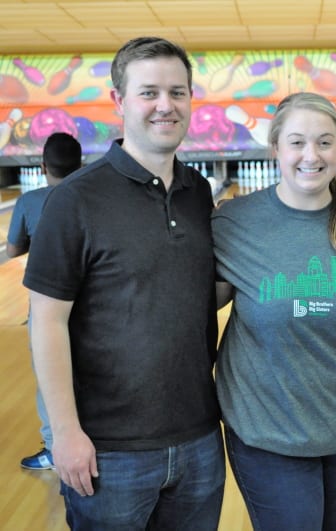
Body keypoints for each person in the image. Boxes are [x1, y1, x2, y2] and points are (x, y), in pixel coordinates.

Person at [23, 36, 225, 529]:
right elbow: (46, 322)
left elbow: (194, 295)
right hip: (108, 451)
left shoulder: (198, 192)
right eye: (149, 92)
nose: (165, 105)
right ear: (119, 101)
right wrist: (64, 433)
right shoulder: (75, 200)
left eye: (177, 92)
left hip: (200, 438)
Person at [211, 92, 336, 530]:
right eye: (296, 142)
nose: (311, 155)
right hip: (267, 433)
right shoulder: (235, 221)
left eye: (324, 142)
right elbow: (190, 306)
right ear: (275, 147)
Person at [8, 132, 82, 472]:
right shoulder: (93, 198)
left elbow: (12, 250)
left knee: (50, 371)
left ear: (42, 167)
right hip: (93, 301)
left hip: (48, 303)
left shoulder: (29, 202)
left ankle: (55, 447)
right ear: (81, 165)